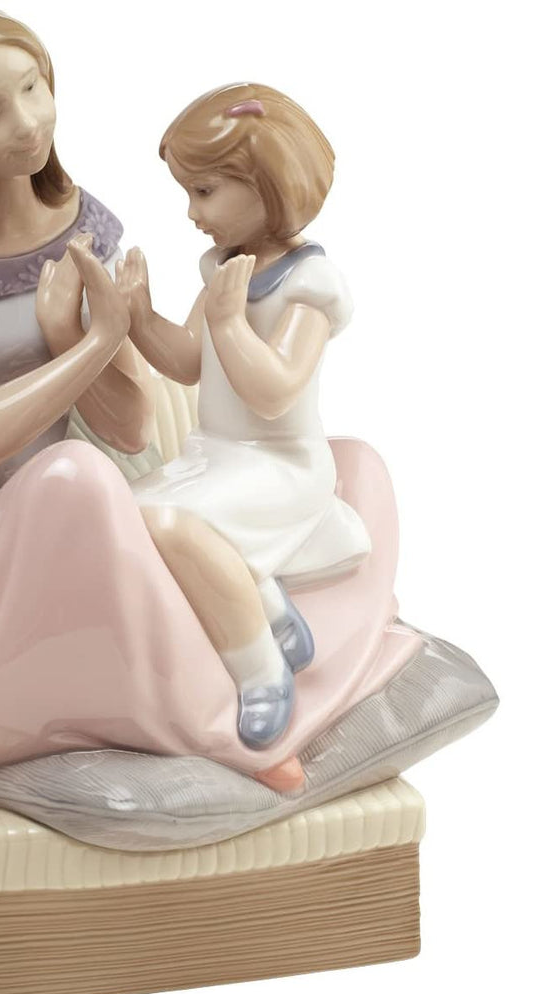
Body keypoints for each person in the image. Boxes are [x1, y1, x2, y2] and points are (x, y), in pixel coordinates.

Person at [0, 5, 307, 791]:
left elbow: (131, 427)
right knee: (76, 475)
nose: (27, 122)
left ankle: (239, 684)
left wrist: (74, 335)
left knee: (113, 507)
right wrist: (97, 342)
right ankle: (219, 724)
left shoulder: (85, 227)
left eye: (33, 87)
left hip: (72, 532)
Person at [118, 84, 372, 761]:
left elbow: (274, 391)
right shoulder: (226, 269)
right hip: (216, 456)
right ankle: (269, 606)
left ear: (268, 184)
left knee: (171, 526)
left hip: (281, 466)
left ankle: (261, 667)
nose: (191, 212)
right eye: (188, 192)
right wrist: (140, 317)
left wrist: (231, 321)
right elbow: (188, 361)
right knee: (124, 513)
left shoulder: (308, 284)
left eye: (204, 191)